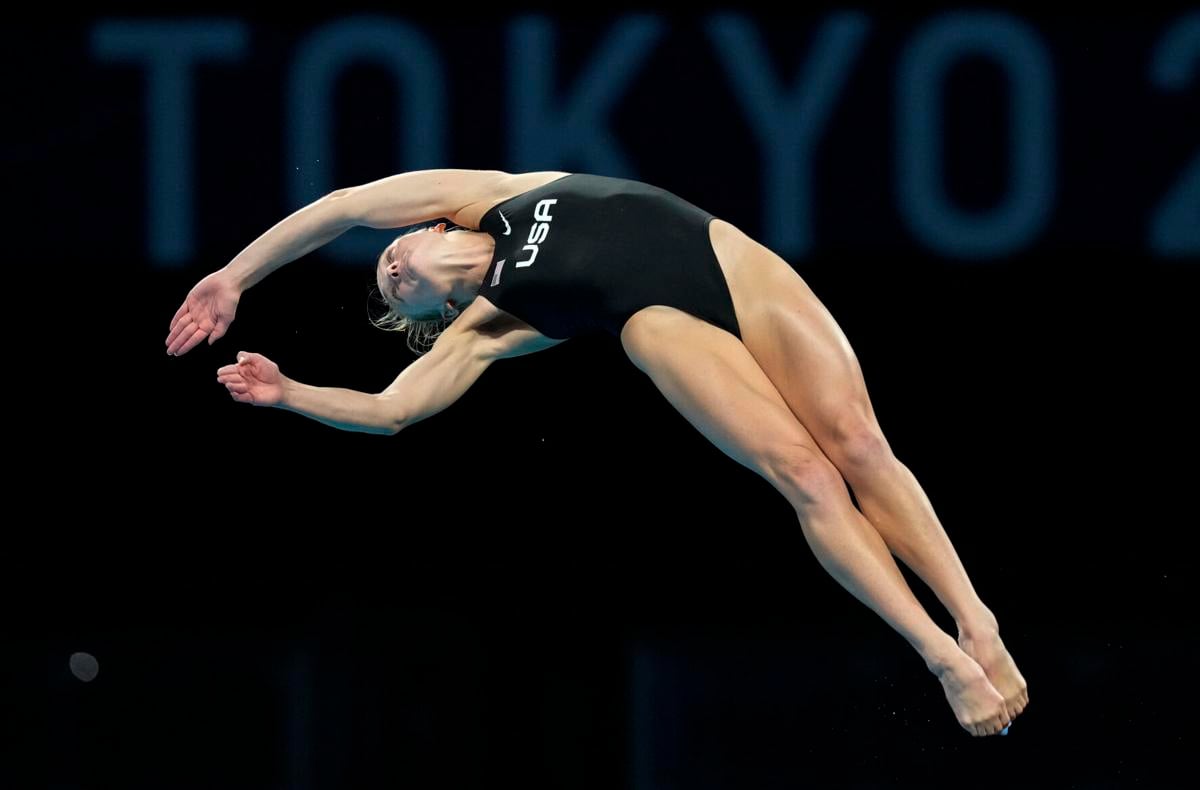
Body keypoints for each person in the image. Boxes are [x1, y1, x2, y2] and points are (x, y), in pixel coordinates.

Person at [166, 169, 1028, 736]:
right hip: (665, 325)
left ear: (425, 229)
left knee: (858, 442)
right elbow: (394, 410)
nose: (388, 268)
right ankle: (938, 653)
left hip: (723, 256)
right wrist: (291, 393)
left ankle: (976, 620)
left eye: (392, 257)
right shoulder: (486, 323)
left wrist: (236, 276)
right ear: (425, 310)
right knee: (806, 475)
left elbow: (342, 206)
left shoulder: (489, 196)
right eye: (390, 287)